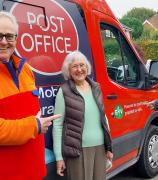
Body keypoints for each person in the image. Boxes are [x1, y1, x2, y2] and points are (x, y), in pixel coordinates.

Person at [0, 11, 61, 180]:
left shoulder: (25, 69)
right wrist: (34, 126)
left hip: (34, 170)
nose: (4, 41)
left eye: (9, 36)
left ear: (16, 39)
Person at [53, 51, 113, 180]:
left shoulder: (96, 87)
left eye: (82, 65)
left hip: (100, 147)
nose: (79, 69)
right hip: (77, 151)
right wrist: (59, 157)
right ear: (68, 70)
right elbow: (57, 125)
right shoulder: (64, 91)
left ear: (87, 67)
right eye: (75, 66)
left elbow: (103, 118)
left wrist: (109, 147)